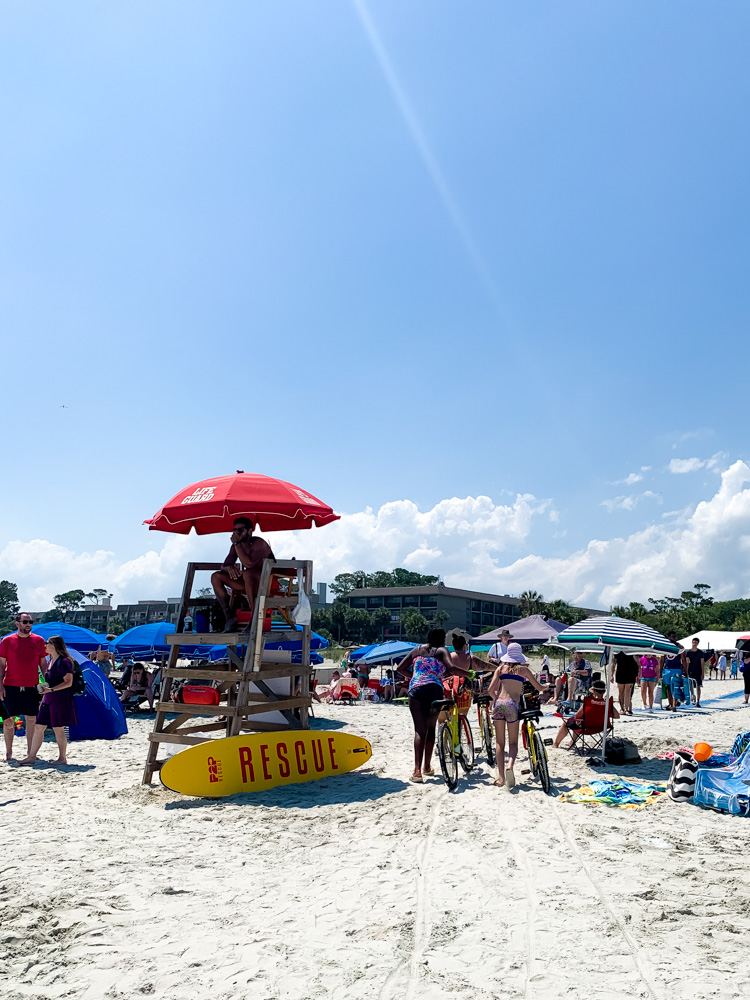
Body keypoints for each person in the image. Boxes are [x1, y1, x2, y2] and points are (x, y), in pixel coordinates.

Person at [396, 628, 473, 783]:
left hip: (416, 690)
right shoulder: (441, 651)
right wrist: (467, 673)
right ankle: (427, 767)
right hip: (434, 690)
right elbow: (451, 668)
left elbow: (400, 668)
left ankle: (417, 772)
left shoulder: (416, 650)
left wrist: (416, 677)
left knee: (419, 730)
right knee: (431, 728)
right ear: (442, 639)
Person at [487, 643, 544, 789]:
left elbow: (490, 690)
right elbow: (538, 687)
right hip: (513, 705)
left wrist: (496, 699)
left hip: (499, 703)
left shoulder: (500, 669)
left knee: (500, 743)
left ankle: (500, 779)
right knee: (513, 743)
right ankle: (510, 767)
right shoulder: (523, 670)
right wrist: (547, 686)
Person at [19, 636, 79, 766]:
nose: (45, 646)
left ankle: (62, 758)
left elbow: (68, 682)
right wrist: (45, 688)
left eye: (47, 643)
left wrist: (51, 690)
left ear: (54, 645)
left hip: (59, 698)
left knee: (58, 728)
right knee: (39, 726)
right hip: (48, 698)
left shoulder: (64, 661)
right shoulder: (51, 660)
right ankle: (32, 756)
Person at [210, 517, 275, 632]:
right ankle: (229, 617)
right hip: (248, 583)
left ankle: (254, 620)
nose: (237, 533)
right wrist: (229, 567)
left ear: (250, 531)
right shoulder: (236, 546)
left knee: (248, 573)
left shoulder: (259, 543)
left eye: (240, 530)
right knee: (216, 576)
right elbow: (224, 566)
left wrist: (236, 543)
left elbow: (248, 564)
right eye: (235, 530)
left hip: (266, 583)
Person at [0, 613, 48, 762]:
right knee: (9, 721)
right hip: (10, 685)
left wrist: (46, 683)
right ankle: (8, 753)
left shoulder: (39, 640)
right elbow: (1, 664)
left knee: (31, 719)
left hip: (31, 685)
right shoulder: (7, 641)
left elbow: (43, 663)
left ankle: (30, 753)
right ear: (17, 624)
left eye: (30, 622)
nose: (28, 624)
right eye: (25, 621)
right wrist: (0, 684)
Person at [553, 679, 620, 748]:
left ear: (593, 691)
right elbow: (617, 716)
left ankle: (556, 744)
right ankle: (572, 742)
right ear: (604, 692)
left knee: (569, 722)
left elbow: (577, 716)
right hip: (601, 727)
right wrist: (605, 714)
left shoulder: (589, 702)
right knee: (578, 721)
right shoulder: (608, 703)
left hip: (586, 727)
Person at [660, 632, 686, 711]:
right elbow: (662, 659)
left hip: (676, 668)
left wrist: (685, 670)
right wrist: (660, 670)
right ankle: (671, 704)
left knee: (675, 687)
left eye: (675, 637)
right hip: (667, 669)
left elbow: (683, 659)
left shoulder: (679, 647)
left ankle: (674, 704)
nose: (674, 638)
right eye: (672, 637)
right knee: (669, 687)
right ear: (668, 638)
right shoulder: (665, 646)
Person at [685, 638, 706, 708]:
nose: (694, 644)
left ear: (697, 643)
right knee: (690, 685)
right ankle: (692, 695)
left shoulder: (700, 652)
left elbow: (702, 663)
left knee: (698, 686)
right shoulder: (688, 652)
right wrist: (686, 672)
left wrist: (703, 673)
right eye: (693, 642)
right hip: (691, 670)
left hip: (698, 670)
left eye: (696, 642)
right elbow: (687, 662)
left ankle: (698, 701)